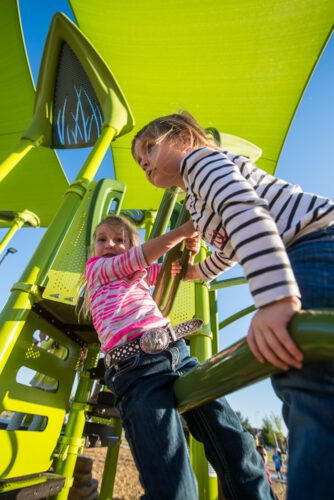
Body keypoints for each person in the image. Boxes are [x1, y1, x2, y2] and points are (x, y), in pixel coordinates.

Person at [131, 111, 334, 500]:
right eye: (141, 163)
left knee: (313, 376)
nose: (145, 165)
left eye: (149, 151)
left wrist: (275, 299)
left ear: (184, 139)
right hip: (307, 249)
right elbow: (230, 249)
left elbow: (245, 211)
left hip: (315, 242)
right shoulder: (195, 196)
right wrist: (199, 271)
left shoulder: (201, 161)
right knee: (298, 388)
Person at [82, 214, 274, 500]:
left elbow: (178, 270)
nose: (109, 244)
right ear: (94, 248)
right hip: (135, 370)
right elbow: (139, 257)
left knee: (237, 444)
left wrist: (187, 251)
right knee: (175, 488)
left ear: (130, 243)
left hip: (177, 355)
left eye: (119, 240)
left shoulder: (141, 274)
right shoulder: (97, 269)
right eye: (102, 239)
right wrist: (184, 230)